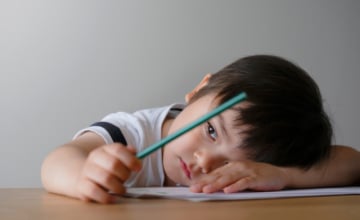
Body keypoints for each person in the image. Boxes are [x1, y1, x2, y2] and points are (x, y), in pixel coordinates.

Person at [41, 55, 360, 204]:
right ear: (198, 91)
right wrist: (83, 175)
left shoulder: (264, 169)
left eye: (229, 163)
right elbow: (57, 161)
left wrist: (284, 173)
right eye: (211, 132)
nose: (206, 163)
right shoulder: (131, 133)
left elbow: (352, 163)